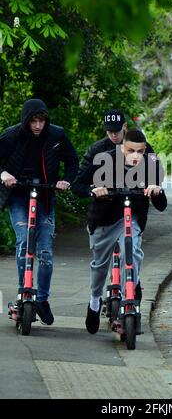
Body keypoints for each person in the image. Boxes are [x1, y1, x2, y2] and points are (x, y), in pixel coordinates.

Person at [72, 129, 167, 334]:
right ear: (122, 147)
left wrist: (156, 189)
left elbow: (162, 204)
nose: (135, 156)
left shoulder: (150, 164)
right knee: (99, 266)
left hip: (130, 217)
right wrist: (93, 190)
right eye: (130, 150)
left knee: (131, 253)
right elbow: (77, 185)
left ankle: (130, 301)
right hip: (104, 220)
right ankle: (95, 301)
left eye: (140, 152)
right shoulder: (104, 160)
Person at [0, 99, 79, 324]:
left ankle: (42, 300)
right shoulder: (11, 135)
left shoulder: (56, 135)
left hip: (44, 196)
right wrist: (3, 174)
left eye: (41, 120)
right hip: (18, 196)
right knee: (24, 242)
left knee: (45, 254)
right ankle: (22, 291)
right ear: (26, 121)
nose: (37, 125)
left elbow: (73, 162)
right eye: (33, 121)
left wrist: (66, 180)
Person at [80, 108, 156, 169]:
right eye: (110, 131)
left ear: (124, 126)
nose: (113, 135)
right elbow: (81, 178)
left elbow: (156, 166)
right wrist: (90, 188)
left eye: (116, 131)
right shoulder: (96, 149)